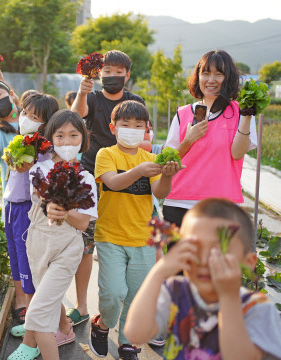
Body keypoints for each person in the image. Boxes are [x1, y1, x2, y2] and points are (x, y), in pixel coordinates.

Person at [124, 198, 281, 360]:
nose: (203, 260)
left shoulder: (257, 308)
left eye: (218, 251)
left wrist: (228, 297)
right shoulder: (176, 291)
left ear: (249, 262)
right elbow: (135, 333)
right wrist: (158, 272)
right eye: (194, 248)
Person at [90, 100, 181, 360]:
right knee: (113, 292)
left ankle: (128, 342)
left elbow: (160, 193)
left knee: (135, 294)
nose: (131, 129)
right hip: (110, 236)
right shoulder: (106, 155)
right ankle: (103, 325)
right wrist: (138, 170)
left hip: (143, 239)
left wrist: (167, 175)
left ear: (146, 129)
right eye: (125, 125)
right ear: (113, 128)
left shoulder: (151, 158)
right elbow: (114, 183)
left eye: (138, 126)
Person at [8, 110, 98, 360]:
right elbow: (41, 200)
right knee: (47, 296)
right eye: (60, 136)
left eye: (73, 135)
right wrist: (52, 206)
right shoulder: (39, 169)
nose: (67, 142)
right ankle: (66, 329)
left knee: (36, 314)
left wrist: (64, 211)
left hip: (66, 250)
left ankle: (33, 345)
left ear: (83, 139)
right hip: (37, 245)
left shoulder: (87, 178)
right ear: (50, 139)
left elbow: (81, 223)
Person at [68, 50, 145, 327]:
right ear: (99, 74)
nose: (112, 76)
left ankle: (119, 304)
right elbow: (76, 116)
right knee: (86, 244)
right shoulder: (93, 98)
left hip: (127, 176)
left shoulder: (135, 102)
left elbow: (146, 140)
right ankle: (82, 305)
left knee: (125, 239)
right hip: (91, 176)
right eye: (107, 71)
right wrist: (82, 91)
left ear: (127, 74)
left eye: (118, 71)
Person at [162, 50, 257, 227]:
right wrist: (188, 140)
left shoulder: (241, 112)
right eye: (205, 73)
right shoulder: (183, 114)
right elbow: (167, 160)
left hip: (222, 206)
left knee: (217, 256)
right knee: (181, 256)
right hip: (180, 203)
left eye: (218, 74)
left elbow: (237, 154)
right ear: (198, 77)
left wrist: (247, 115)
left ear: (228, 78)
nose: (211, 80)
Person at [6, 93, 59, 332]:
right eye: (24, 113)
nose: (25, 118)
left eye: (34, 116)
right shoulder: (20, 141)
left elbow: (41, 184)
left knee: (28, 263)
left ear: (45, 124)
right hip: (11, 209)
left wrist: (32, 166)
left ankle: (35, 325)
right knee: (16, 259)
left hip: (28, 210)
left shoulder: (43, 150)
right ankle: (32, 320)